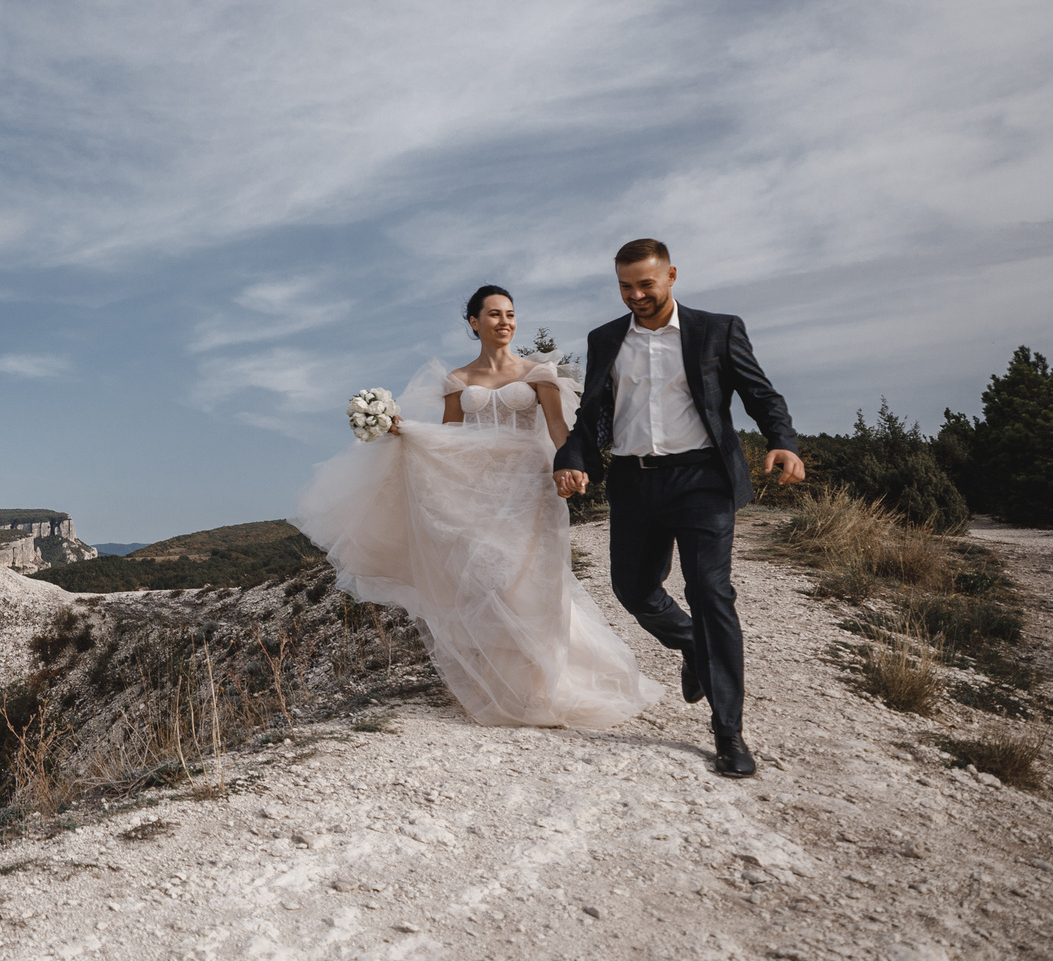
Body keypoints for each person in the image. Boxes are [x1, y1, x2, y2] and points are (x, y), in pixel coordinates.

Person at [293, 283, 665, 729]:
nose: (504, 322)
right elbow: (449, 439)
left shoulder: (539, 372)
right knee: (493, 581)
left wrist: (574, 468)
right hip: (477, 492)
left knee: (532, 581)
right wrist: (403, 431)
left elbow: (559, 430)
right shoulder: (459, 380)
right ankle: (513, 685)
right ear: (474, 322)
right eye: (493, 315)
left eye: (510, 314)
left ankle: (548, 683)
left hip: (530, 488)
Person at [552, 238, 804, 778]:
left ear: (671, 275)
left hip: (701, 481)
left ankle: (728, 731)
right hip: (633, 481)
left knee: (710, 591)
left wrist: (783, 440)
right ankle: (691, 643)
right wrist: (570, 459)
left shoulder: (718, 329)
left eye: (646, 283)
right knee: (632, 588)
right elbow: (590, 414)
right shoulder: (605, 339)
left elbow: (762, 395)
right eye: (625, 286)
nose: (636, 295)